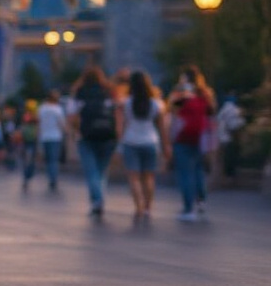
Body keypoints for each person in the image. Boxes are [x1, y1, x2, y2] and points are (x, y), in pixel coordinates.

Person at [116, 69, 169, 220]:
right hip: (150, 141)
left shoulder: (126, 103)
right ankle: (148, 207)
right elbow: (162, 127)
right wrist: (166, 146)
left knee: (134, 178)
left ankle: (138, 206)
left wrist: (119, 144)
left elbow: (121, 126)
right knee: (149, 177)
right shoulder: (156, 104)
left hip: (131, 141)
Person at [168, 64, 216, 220]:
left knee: (185, 173)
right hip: (201, 137)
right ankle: (201, 200)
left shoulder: (183, 93)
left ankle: (188, 208)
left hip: (183, 137)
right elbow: (211, 113)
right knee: (198, 170)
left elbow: (170, 108)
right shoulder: (206, 93)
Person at [70, 66, 117, 217]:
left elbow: (72, 116)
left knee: (91, 171)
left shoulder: (79, 93)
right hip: (108, 136)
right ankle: (99, 198)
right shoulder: (109, 92)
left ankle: (97, 200)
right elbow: (117, 113)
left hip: (86, 136)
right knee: (102, 171)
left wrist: (77, 130)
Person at [34, 90, 68, 192]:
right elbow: (61, 123)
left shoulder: (42, 108)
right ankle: (53, 179)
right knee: (54, 160)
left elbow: (38, 123)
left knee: (48, 159)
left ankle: (50, 177)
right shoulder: (57, 109)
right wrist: (66, 132)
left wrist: (37, 135)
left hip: (44, 137)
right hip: (55, 137)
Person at [214, 93, 247, 182]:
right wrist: (242, 121)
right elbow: (234, 125)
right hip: (230, 137)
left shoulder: (222, 110)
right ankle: (230, 175)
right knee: (230, 156)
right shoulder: (234, 110)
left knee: (222, 157)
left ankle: (223, 175)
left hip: (220, 136)